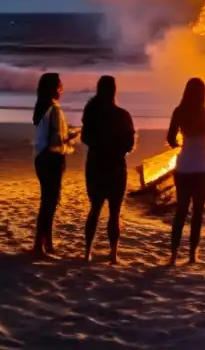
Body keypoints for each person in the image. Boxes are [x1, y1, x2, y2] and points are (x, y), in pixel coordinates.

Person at [80, 75, 136, 264]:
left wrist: (100, 144)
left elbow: (85, 138)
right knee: (114, 212)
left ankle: (87, 251)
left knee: (94, 209)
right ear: (114, 91)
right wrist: (116, 147)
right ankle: (113, 254)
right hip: (116, 166)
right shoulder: (122, 115)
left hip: (95, 165)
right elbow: (129, 144)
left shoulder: (91, 112)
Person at [166, 77, 205, 265]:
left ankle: (173, 255)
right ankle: (192, 254)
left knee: (181, 211)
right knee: (197, 212)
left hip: (184, 166)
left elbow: (171, 138)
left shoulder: (179, 112)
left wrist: (182, 142)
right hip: (202, 166)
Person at [32, 72, 78, 259]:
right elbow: (57, 141)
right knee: (50, 203)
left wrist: (68, 133)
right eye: (60, 86)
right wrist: (72, 140)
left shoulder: (42, 108)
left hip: (40, 158)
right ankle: (41, 247)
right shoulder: (55, 109)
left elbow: (50, 135)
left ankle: (45, 243)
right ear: (54, 88)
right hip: (52, 159)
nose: (62, 88)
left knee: (47, 201)